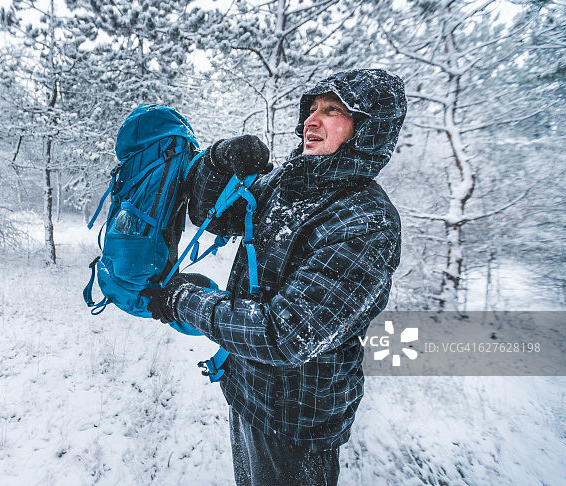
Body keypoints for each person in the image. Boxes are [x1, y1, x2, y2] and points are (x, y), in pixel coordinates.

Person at [142, 69, 407, 485]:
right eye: (312, 109)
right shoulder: (289, 182)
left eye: (333, 110)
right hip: (247, 390)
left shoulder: (365, 221)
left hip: (296, 423)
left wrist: (182, 300)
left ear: (368, 130)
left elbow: (283, 336)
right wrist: (219, 159)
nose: (311, 121)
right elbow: (212, 215)